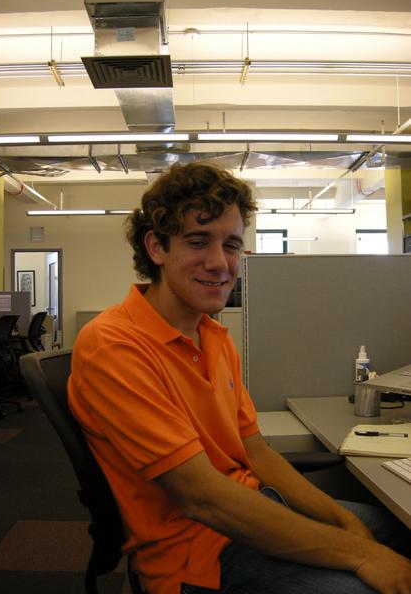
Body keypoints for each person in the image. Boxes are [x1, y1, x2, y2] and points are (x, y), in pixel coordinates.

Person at [68, 162, 411, 594]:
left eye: (231, 245)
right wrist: (359, 553)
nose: (220, 263)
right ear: (156, 247)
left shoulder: (212, 335)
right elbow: (201, 497)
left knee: (397, 532)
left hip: (252, 507)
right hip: (195, 552)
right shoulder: (114, 345)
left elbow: (255, 451)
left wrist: (342, 521)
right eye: (198, 241)